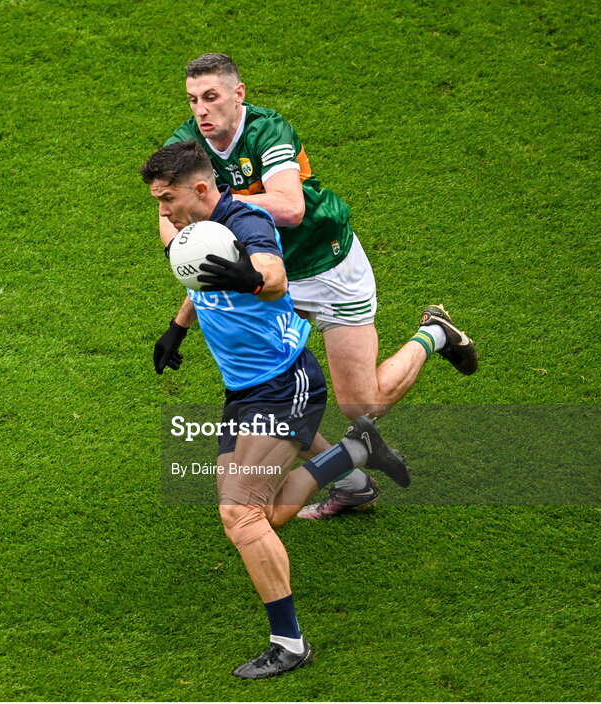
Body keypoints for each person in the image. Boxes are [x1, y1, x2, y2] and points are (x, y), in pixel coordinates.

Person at [153, 53, 477, 519]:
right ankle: (351, 481)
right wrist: (180, 319)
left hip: (326, 267)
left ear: (237, 95)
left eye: (211, 98)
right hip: (262, 275)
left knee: (360, 402)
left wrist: (216, 208)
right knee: (271, 388)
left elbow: (289, 207)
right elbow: (173, 228)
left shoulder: (267, 130)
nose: (201, 111)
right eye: (192, 100)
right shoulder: (186, 145)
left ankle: (436, 334)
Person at [142, 141, 408, 678]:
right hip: (246, 391)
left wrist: (249, 277)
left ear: (200, 189)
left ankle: (290, 643)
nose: (162, 212)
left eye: (167, 200)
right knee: (268, 513)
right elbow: (202, 273)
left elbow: (273, 275)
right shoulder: (194, 232)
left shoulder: (248, 221)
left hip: (282, 388)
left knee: (240, 516)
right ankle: (355, 449)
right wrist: (177, 328)